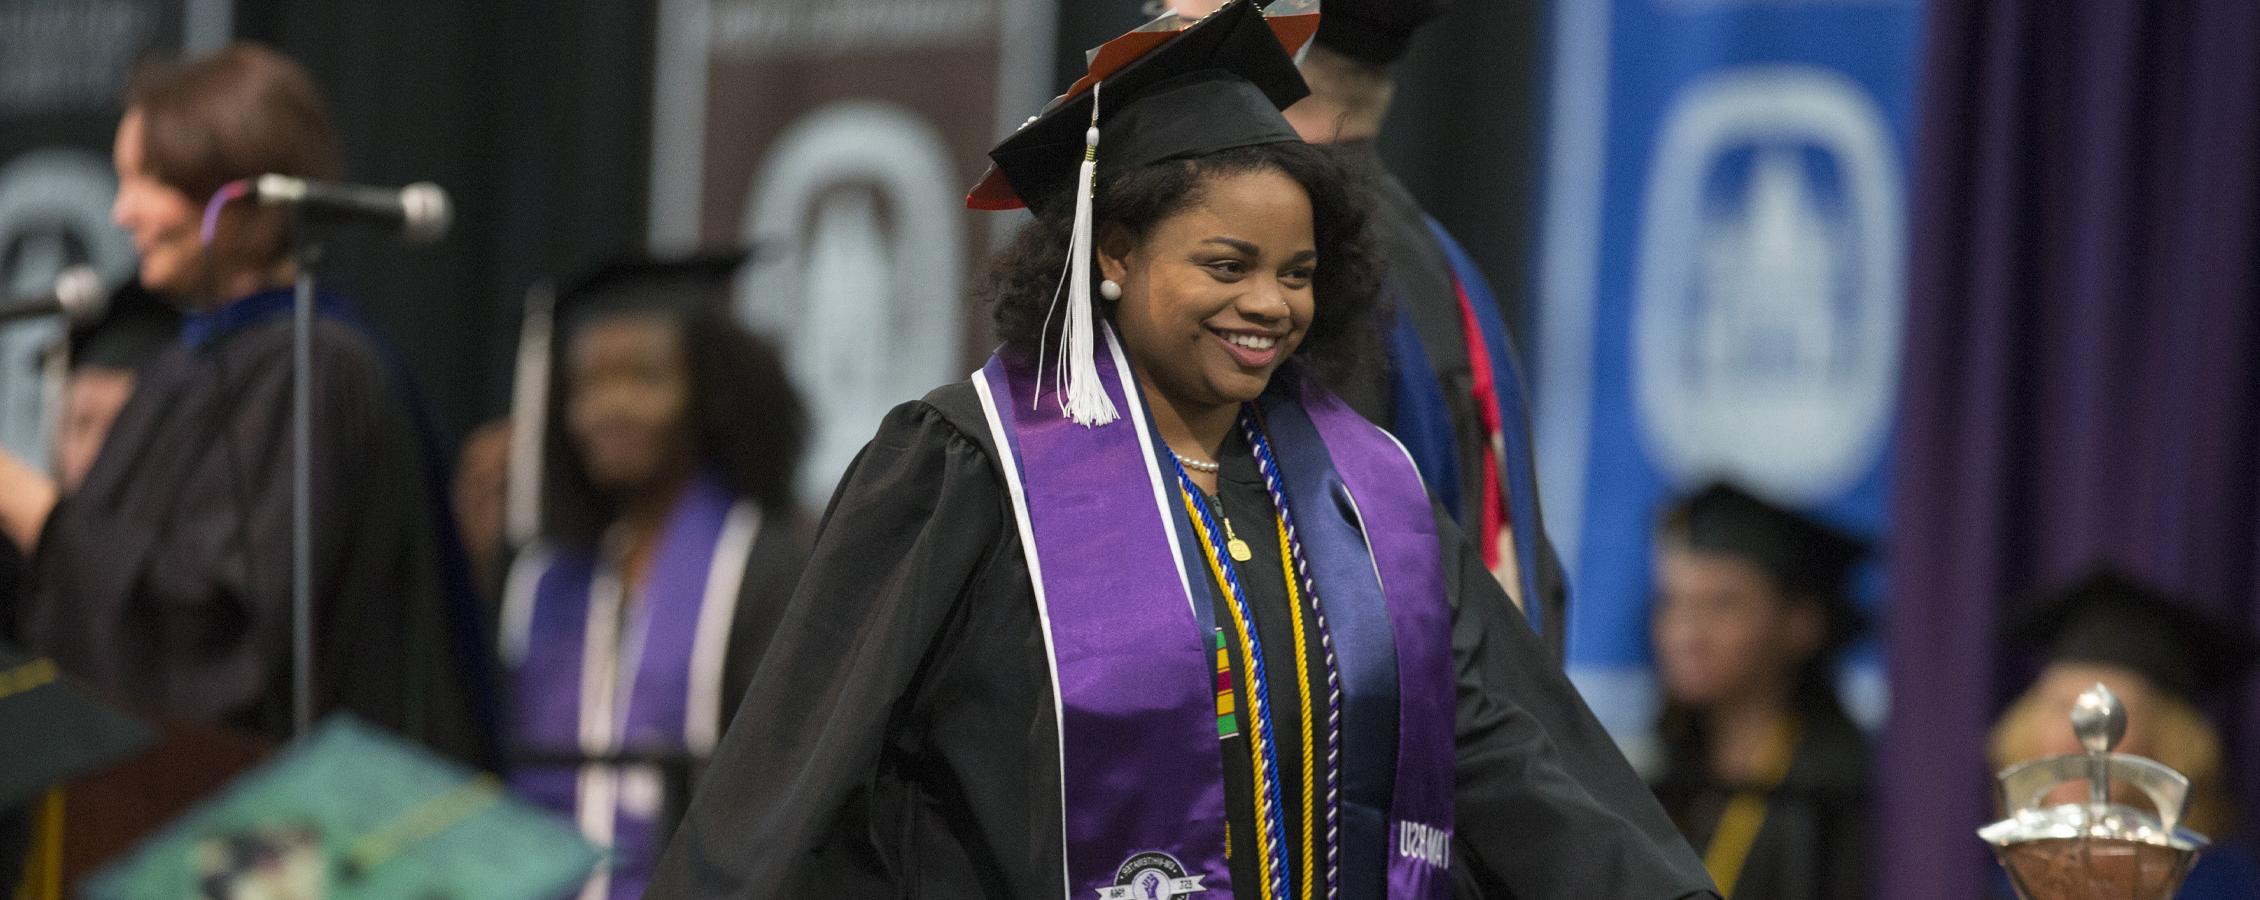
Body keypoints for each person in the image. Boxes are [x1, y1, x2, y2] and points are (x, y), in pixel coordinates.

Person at [649, 5, 1714, 898]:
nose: (1267, 304)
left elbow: (1506, 755)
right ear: (1113, 250)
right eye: (1225, 263)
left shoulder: (1365, 499)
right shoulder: (969, 472)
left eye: (1296, 272)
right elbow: (794, 789)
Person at [0, 43, 486, 759]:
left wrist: (20, 497)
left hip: (291, 824)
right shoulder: (192, 364)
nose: (121, 211)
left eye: (148, 180)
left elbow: (214, 637)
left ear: (235, 189)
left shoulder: (311, 367)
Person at [1164, 0, 1565, 658]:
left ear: (1279, 30)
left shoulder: (1300, 287)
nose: (1158, 14)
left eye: (1178, 11)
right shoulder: (1433, 259)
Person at [496, 252, 812, 900]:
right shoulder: (541, 582)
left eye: (644, 377)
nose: (611, 408)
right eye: (588, 385)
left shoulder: (762, 566)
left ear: (709, 392)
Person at [1647, 482, 1871, 900]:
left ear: (1801, 623)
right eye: (1673, 602)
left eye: (1723, 604)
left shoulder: (1847, 795)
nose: (1688, 634)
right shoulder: (1661, 778)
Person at [1987, 567, 2260, 900]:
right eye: (2060, 707)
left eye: (2115, 716)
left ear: (2169, 743)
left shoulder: (2222, 885)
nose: (2076, 736)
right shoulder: (2021, 874)